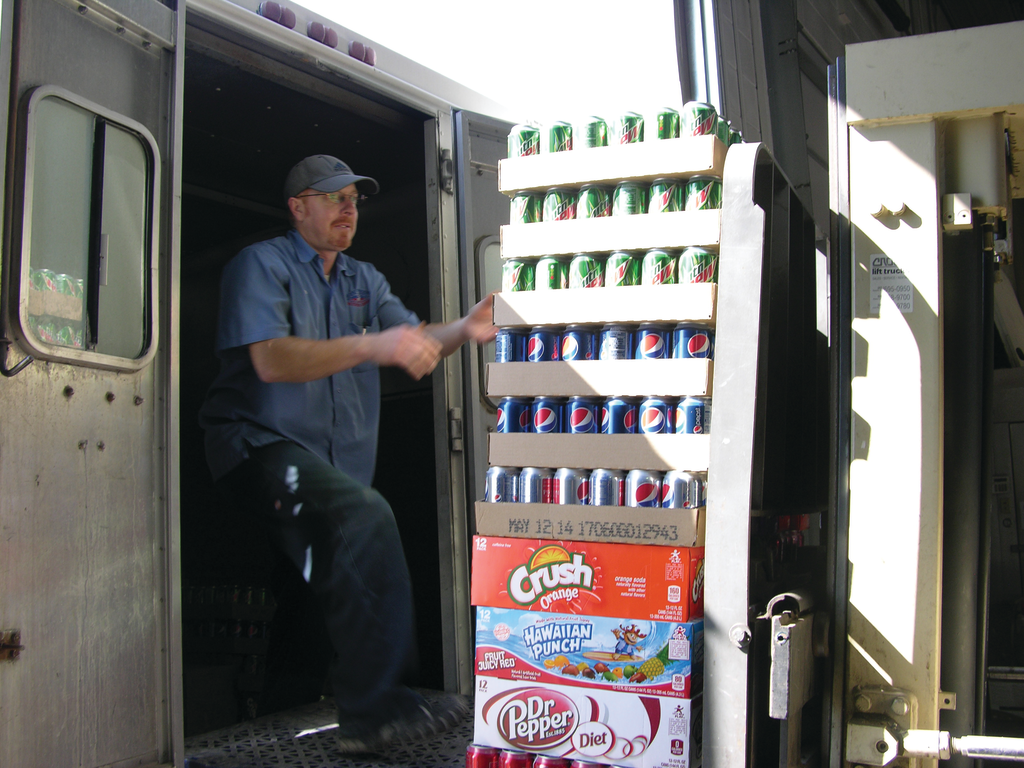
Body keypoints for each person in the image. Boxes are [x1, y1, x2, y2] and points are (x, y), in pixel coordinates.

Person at [199, 154, 496, 752]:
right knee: (365, 516)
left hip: (327, 465)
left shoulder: (365, 280)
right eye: (334, 197)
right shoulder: (261, 264)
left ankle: (285, 717)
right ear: (299, 207)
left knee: (311, 592)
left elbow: (410, 339)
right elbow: (272, 360)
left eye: (355, 200)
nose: (348, 209)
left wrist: (462, 329)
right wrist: (371, 345)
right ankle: (376, 710)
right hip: (255, 448)